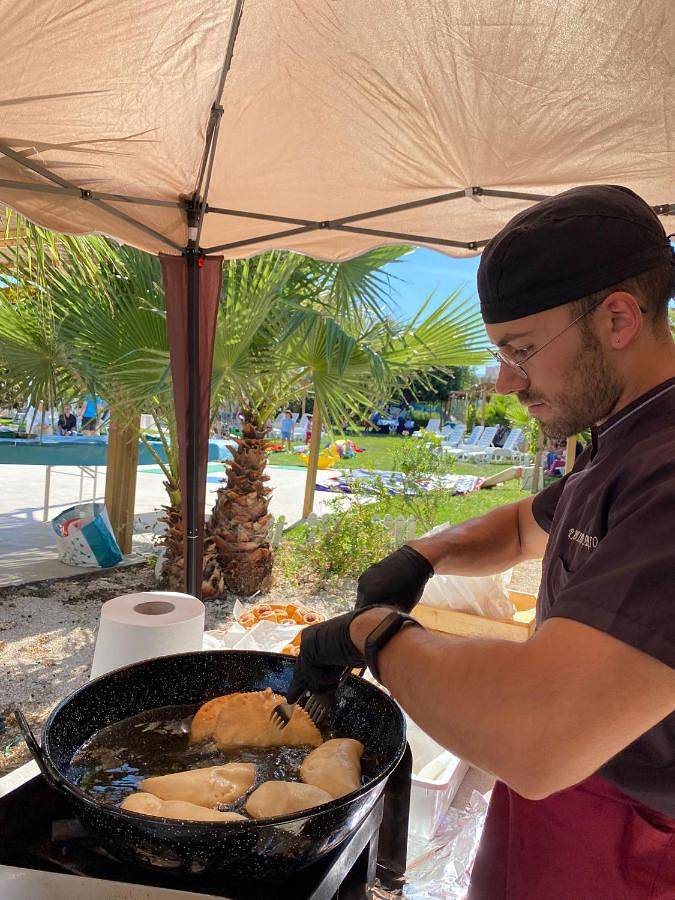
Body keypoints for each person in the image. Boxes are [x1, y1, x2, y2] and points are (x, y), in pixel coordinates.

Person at [287, 186, 675, 898]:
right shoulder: (625, 431)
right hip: (565, 803)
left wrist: (376, 636)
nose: (503, 382)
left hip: (637, 842)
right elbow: (530, 522)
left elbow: (539, 736)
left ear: (617, 317)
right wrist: (424, 555)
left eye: (520, 350)